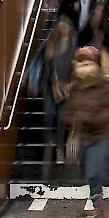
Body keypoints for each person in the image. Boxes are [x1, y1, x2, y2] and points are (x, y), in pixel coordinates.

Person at [65, 46, 109, 218]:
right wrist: (76, 119)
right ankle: (97, 202)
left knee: (94, 170)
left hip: (102, 135)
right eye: (80, 63)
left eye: (87, 63)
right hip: (85, 136)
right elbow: (69, 111)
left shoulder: (106, 83)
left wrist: (90, 117)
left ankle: (97, 206)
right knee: (90, 172)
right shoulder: (75, 87)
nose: (84, 68)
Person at [39, 18, 77, 165]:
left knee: (61, 118)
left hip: (65, 89)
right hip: (49, 88)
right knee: (49, 115)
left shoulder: (72, 49)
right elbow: (39, 64)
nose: (66, 38)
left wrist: (71, 85)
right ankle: (48, 142)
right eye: (64, 35)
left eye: (68, 34)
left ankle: (59, 151)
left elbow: (75, 69)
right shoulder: (48, 46)